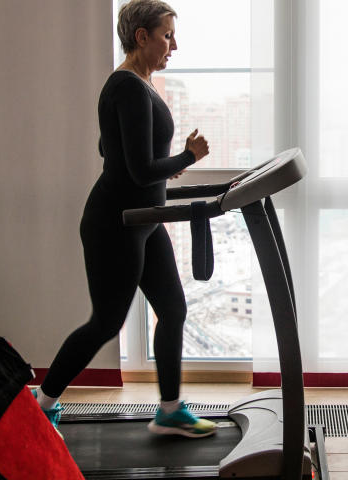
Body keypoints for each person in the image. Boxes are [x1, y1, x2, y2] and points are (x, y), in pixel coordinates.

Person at [33, 0, 216, 438]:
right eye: (167, 35)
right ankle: (42, 405)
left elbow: (107, 149)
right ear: (142, 37)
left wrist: (168, 164)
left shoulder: (139, 85)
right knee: (106, 322)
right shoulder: (128, 87)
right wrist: (186, 156)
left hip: (144, 219)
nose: (174, 45)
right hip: (114, 223)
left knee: (172, 308)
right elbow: (135, 170)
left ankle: (170, 409)